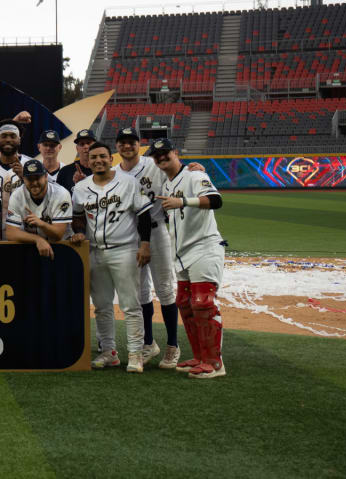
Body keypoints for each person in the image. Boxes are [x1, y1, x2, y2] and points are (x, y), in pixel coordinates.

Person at [70, 142, 153, 373]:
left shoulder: (128, 182)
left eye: (103, 157)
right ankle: (109, 352)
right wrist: (78, 231)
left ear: (110, 158)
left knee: (130, 304)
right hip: (95, 251)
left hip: (124, 249)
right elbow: (77, 216)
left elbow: (144, 215)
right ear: (88, 160)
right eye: (94, 157)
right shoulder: (81, 188)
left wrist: (145, 244)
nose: (98, 160)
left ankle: (136, 353)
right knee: (102, 306)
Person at [149, 138, 228, 379]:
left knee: (203, 303)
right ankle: (200, 356)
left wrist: (183, 201)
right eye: (157, 156)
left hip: (204, 248)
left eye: (165, 153)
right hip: (182, 254)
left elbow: (216, 200)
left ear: (175, 152)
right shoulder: (169, 185)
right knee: (185, 303)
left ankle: (215, 363)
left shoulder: (194, 176)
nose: (162, 158)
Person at [115, 127, 181, 369]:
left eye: (131, 141)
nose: (127, 146)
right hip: (131, 234)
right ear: (117, 147)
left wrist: (195, 168)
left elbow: (176, 173)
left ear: (138, 144)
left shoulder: (153, 164)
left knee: (164, 289)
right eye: (122, 142)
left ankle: (173, 345)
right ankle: (148, 343)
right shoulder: (114, 172)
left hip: (156, 230)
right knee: (141, 291)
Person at [4, 159, 71, 259]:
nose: (34, 182)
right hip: (32, 247)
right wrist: (37, 239)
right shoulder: (17, 195)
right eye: (30, 179)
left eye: (37, 178)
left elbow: (58, 234)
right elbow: (10, 233)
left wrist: (40, 223)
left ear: (46, 177)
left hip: (61, 247)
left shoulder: (60, 193)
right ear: (24, 179)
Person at [0, 120, 30, 240]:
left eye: (13, 136)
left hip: (24, 236)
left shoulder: (32, 165)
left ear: (19, 140)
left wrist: (26, 178)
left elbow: (44, 198)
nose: (8, 139)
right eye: (4, 136)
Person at [57, 129, 95, 193]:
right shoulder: (65, 172)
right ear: (77, 148)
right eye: (82, 144)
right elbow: (58, 197)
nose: (86, 146)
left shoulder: (106, 170)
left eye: (88, 143)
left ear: (95, 145)